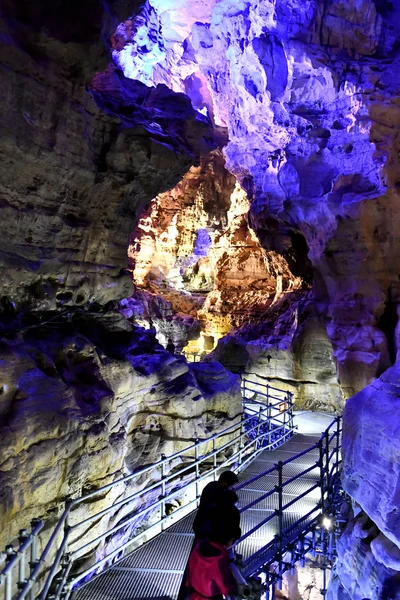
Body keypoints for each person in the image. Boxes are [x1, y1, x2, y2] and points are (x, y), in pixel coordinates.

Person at [187, 526, 237, 600]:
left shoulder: (199, 546)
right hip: (209, 596)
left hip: (195, 593)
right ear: (230, 540)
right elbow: (225, 586)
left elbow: (190, 568)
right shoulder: (220, 561)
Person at [193, 471, 239, 540]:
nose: (233, 489)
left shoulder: (211, 485)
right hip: (206, 527)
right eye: (232, 487)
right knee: (203, 546)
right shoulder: (215, 493)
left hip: (201, 524)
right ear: (225, 484)